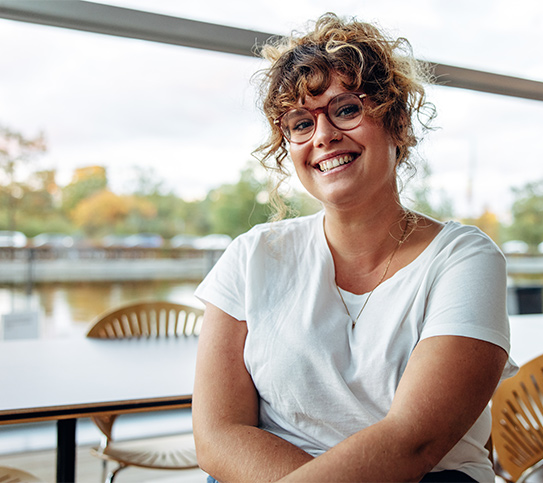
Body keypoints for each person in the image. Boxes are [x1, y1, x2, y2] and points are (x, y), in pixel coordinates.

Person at [192, 13, 517, 483]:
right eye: (300, 122)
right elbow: (218, 436)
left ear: (397, 123)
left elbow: (413, 442)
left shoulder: (463, 258)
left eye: (345, 109)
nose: (322, 135)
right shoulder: (252, 256)